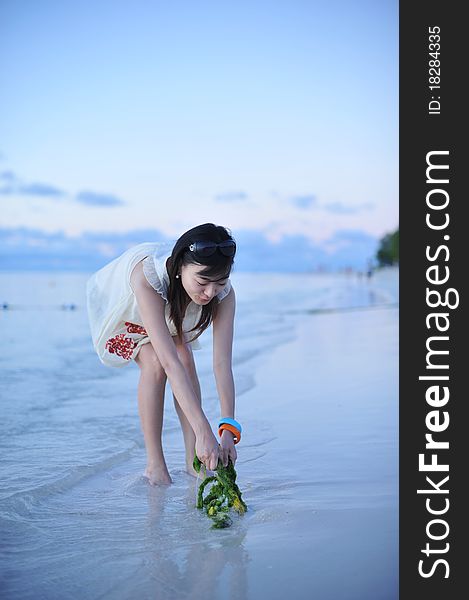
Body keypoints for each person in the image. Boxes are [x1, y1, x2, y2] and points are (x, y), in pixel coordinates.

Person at [86, 223, 242, 486]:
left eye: (220, 283)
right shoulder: (149, 276)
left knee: (185, 355)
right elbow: (169, 363)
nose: (210, 293)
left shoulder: (223, 294)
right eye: (203, 282)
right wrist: (204, 429)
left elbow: (222, 364)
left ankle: (194, 460)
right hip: (129, 312)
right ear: (181, 267)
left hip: (173, 308)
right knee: (158, 362)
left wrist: (227, 430)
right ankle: (155, 465)